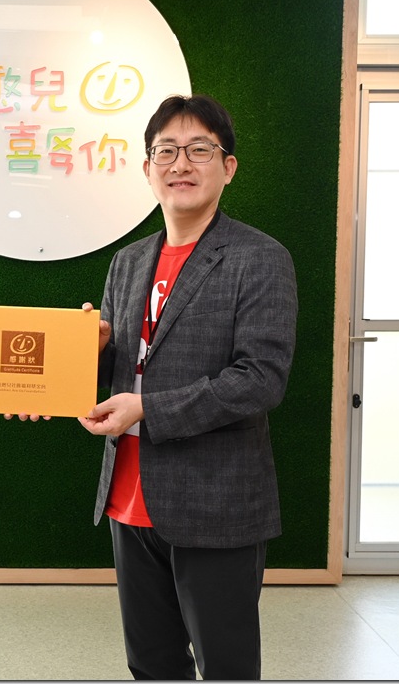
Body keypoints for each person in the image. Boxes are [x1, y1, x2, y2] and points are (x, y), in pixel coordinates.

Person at [78, 94, 298, 680]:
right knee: (151, 665)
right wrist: (82, 362)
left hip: (214, 501)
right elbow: (122, 373)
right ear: (147, 168)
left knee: (226, 667)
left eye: (200, 149)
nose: (181, 163)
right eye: (166, 151)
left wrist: (146, 409)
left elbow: (260, 379)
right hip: (129, 499)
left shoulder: (260, 258)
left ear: (228, 167)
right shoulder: (128, 262)